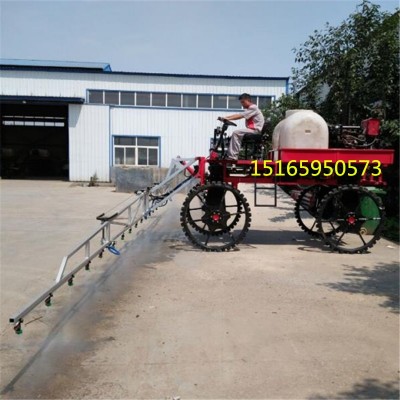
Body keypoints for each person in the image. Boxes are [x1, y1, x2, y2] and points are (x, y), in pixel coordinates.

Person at [220, 93, 265, 160]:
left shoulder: (253, 108)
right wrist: (226, 118)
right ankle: (231, 155)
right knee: (235, 134)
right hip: (253, 130)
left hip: (255, 130)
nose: (242, 104)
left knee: (236, 133)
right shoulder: (250, 109)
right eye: (241, 102)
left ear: (248, 100)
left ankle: (232, 157)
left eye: (243, 102)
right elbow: (239, 114)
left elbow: (240, 116)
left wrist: (227, 118)